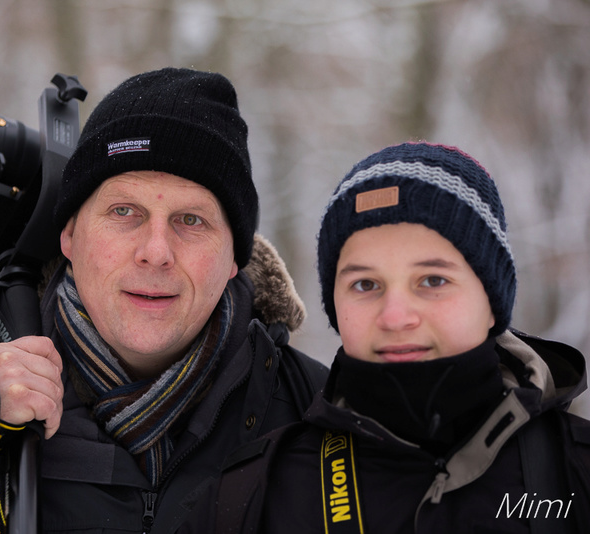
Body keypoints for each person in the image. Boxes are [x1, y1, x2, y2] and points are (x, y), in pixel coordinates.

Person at [0, 68, 328, 533]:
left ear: (235, 255)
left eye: (191, 220)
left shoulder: (321, 419)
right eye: (124, 212)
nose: (155, 252)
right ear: (69, 236)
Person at [195, 142, 590, 533]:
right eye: (366, 284)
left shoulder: (575, 472)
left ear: (492, 301)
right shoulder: (248, 498)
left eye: (433, 280)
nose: (395, 316)